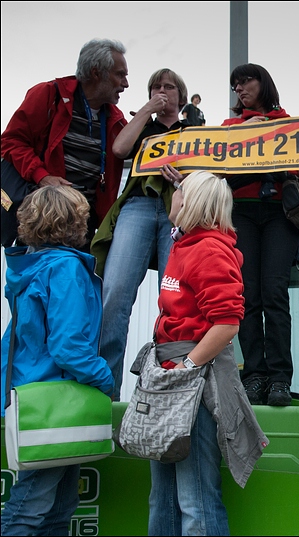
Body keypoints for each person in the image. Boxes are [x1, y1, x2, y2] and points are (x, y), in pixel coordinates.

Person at [147, 170, 268, 536]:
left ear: (192, 199)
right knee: (164, 498)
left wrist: (185, 366)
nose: (173, 194)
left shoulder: (210, 249)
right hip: (171, 381)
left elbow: (228, 323)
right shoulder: (184, 245)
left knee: (195, 498)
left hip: (192, 386)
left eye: (178, 189)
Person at [1, 186, 114, 535]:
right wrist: (105, 378)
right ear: (74, 223)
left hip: (33, 393)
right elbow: (68, 347)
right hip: (57, 401)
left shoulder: (29, 265)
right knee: (30, 508)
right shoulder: (65, 268)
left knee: (58, 508)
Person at [222, 63, 299, 406]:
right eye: (235, 84)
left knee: (275, 293)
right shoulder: (228, 127)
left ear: (263, 83)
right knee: (248, 295)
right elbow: (215, 168)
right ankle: (254, 376)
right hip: (241, 213)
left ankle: (281, 378)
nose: (239, 88)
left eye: (245, 80)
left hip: (281, 214)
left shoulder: (291, 123)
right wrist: (245, 133)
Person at [91, 68, 188, 400]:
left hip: (177, 207)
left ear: (181, 94)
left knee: (174, 297)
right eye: (155, 87)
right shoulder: (142, 126)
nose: (162, 91)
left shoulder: (194, 131)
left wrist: (182, 180)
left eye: (168, 86)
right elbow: (119, 149)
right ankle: (103, 394)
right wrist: (148, 110)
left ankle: (165, 394)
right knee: (115, 292)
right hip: (139, 205)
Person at [0, 38, 128, 247]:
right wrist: (42, 177)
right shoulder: (48, 95)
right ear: (97, 73)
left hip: (82, 226)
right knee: (38, 277)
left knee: (74, 279)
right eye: (120, 74)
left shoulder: (116, 121)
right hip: (44, 220)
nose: (126, 83)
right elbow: (11, 142)